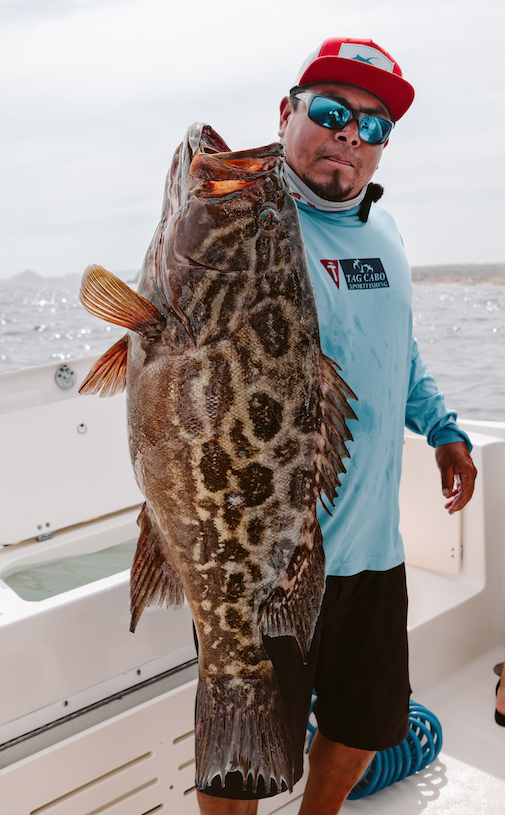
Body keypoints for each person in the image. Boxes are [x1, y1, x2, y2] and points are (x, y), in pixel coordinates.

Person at [197, 37, 478, 815]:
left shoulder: (383, 234)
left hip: (370, 551)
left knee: (363, 724)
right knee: (239, 755)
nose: (350, 135)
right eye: (330, 112)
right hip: (263, 556)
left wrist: (442, 426)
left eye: (374, 124)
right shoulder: (246, 229)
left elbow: (398, 342)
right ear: (286, 114)